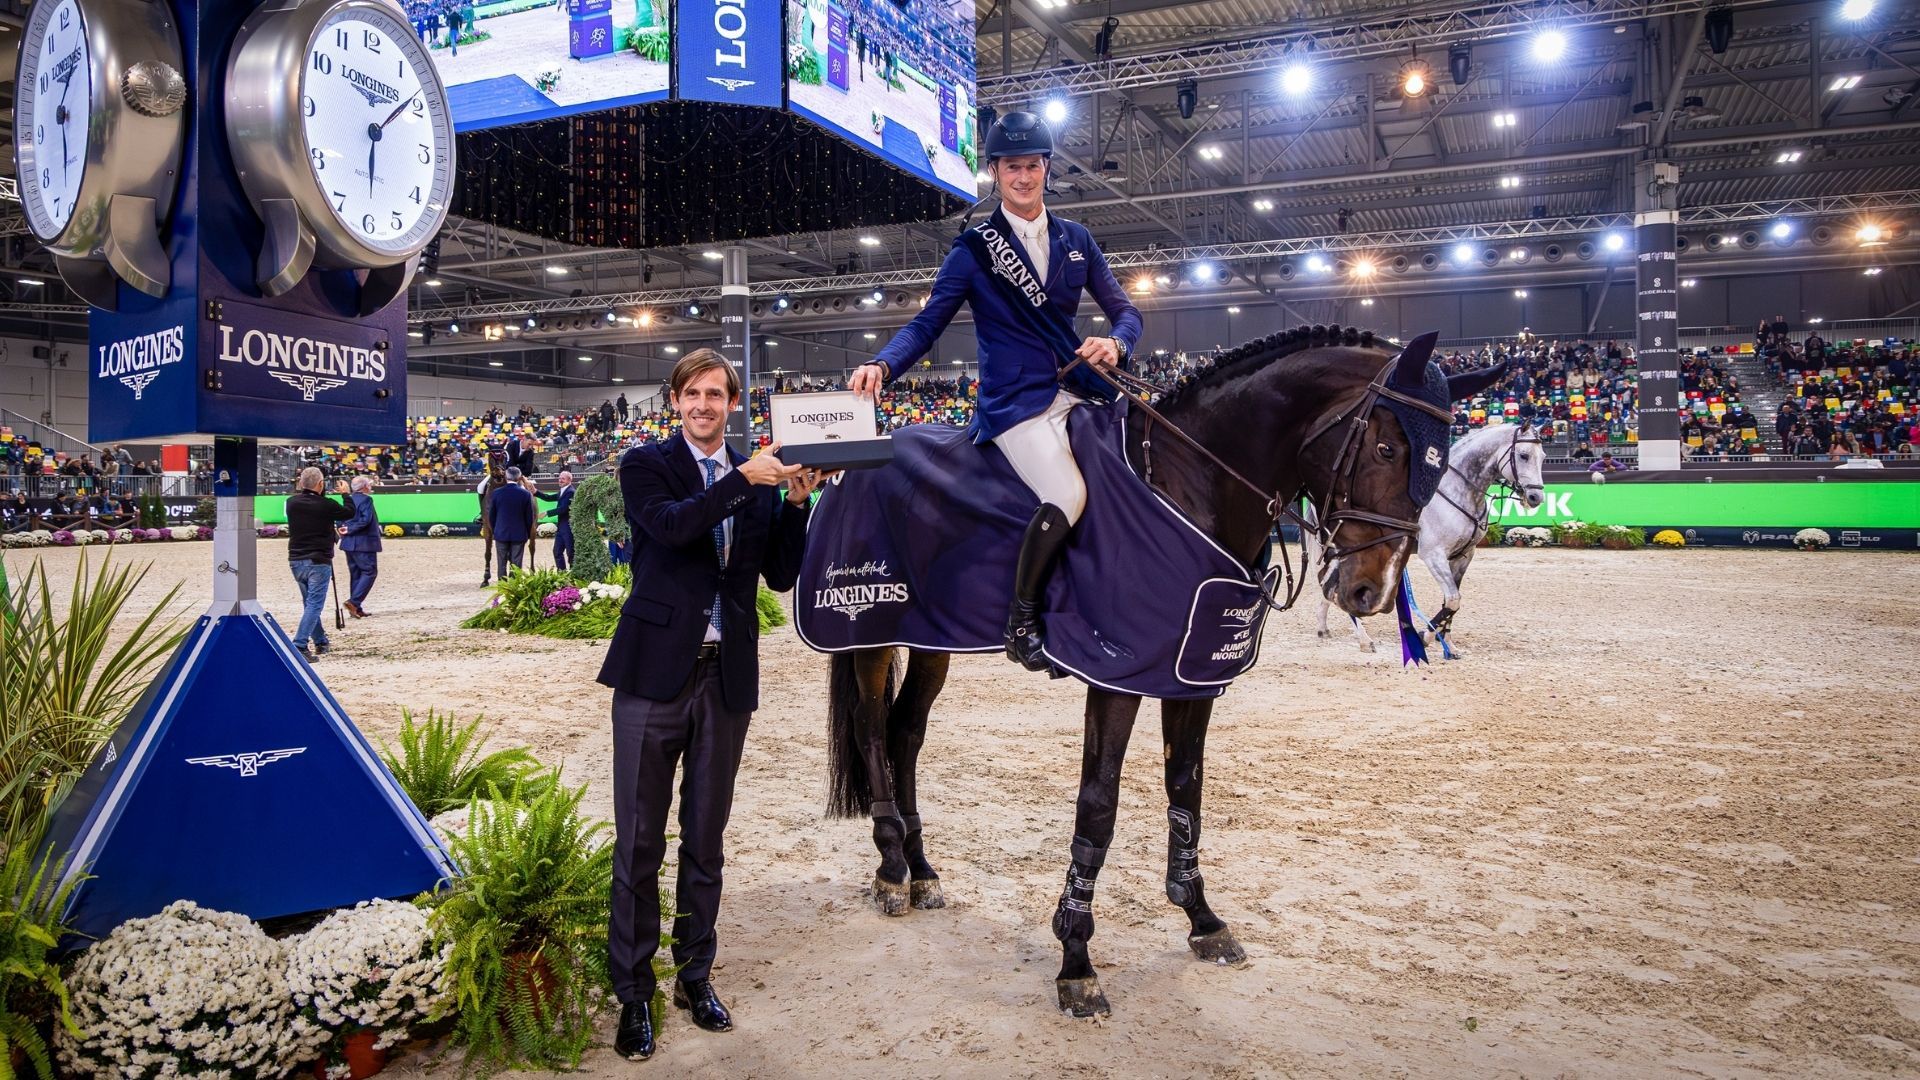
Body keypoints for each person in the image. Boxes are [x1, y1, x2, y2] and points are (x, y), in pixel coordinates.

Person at [595, 349, 827, 1062]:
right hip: (651, 676)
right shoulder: (646, 465)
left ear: (732, 403)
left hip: (726, 678)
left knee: (705, 839)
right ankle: (633, 992)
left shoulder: (758, 478)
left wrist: (795, 503)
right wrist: (743, 479)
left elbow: (779, 575)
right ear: (675, 400)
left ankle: (694, 977)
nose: (703, 405)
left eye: (715, 395)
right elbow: (671, 528)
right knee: (639, 842)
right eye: (692, 393)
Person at [848, 110, 1143, 671]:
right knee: (1068, 495)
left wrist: (1116, 343)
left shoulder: (1077, 240)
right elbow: (927, 325)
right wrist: (883, 364)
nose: (1023, 177)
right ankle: (1022, 620)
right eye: (1013, 168)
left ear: (1047, 168)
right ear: (995, 173)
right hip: (1016, 406)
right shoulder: (973, 250)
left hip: (1079, 392)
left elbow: (1126, 312)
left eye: (1032, 166)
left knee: (1127, 477)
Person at [284, 468, 354, 659]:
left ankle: (320, 640)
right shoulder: (326, 504)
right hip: (318, 559)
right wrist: (346, 494)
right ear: (321, 484)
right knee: (314, 604)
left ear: (301, 484)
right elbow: (349, 512)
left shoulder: (291, 502)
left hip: (296, 558)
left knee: (309, 603)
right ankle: (299, 644)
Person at [338, 475, 383, 619]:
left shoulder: (348, 499)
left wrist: (344, 528)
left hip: (348, 543)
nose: (370, 486)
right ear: (364, 487)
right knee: (370, 572)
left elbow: (340, 518)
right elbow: (365, 519)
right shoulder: (366, 500)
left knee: (356, 574)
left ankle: (356, 608)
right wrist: (350, 529)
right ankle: (354, 602)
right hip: (364, 543)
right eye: (369, 484)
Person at [488, 466, 535, 578]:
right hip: (519, 534)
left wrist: (495, 530)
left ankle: (502, 586)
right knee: (516, 564)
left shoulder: (496, 493)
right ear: (519, 478)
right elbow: (529, 517)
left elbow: (491, 516)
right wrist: (527, 533)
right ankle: (514, 586)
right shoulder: (526, 494)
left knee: (501, 563)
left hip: (501, 533)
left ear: (506, 476)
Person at [535, 469, 576, 571]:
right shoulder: (563, 491)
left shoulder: (571, 492)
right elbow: (548, 498)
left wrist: (547, 513)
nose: (560, 480)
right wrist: (535, 492)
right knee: (557, 551)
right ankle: (562, 573)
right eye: (559, 478)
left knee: (571, 552)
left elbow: (564, 509)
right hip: (561, 527)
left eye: (563, 479)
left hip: (568, 527)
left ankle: (574, 573)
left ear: (569, 480)